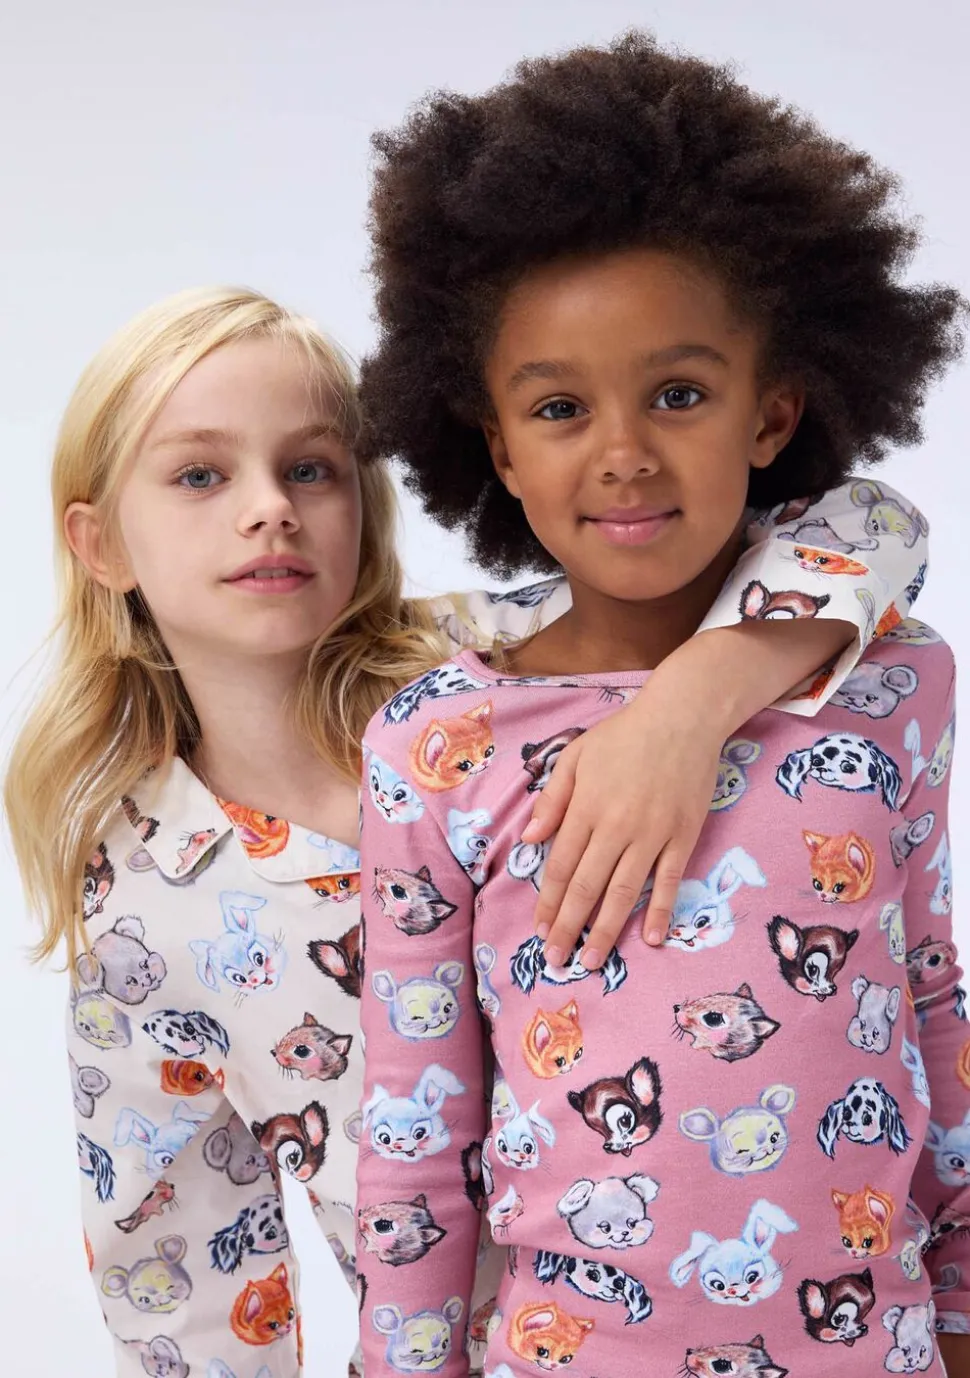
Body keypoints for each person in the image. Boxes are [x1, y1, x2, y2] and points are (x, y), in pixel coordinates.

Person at [1, 284, 927, 1377]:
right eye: (201, 475)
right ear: (99, 544)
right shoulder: (140, 914)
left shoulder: (507, 661)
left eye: (311, 468)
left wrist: (689, 705)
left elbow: (872, 525)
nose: (269, 509)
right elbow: (179, 1278)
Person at [355, 33, 967, 1378]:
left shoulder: (888, 682)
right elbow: (417, 1134)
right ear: (495, 445)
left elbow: (929, 1002)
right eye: (559, 407)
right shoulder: (437, 743)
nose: (624, 452)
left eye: (678, 393)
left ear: (772, 412)